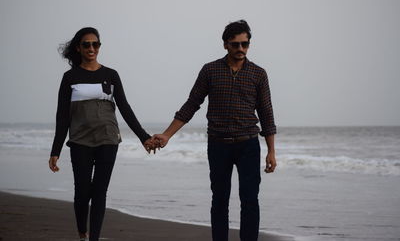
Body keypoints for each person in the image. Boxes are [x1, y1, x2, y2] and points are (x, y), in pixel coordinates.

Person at [153, 20, 276, 241]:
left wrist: (271, 151)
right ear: (225, 45)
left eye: (245, 44)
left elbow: (267, 114)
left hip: (248, 144)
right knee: (219, 199)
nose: (240, 49)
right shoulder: (210, 70)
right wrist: (167, 134)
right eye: (235, 44)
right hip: (218, 144)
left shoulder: (258, 73)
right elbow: (191, 104)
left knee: (250, 199)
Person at [48, 27, 157, 241]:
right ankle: (82, 232)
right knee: (82, 193)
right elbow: (62, 117)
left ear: (99, 47)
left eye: (95, 44)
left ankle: (94, 238)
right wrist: (55, 150)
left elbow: (125, 108)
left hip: (108, 139)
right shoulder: (70, 77)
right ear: (79, 48)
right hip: (80, 140)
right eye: (87, 44)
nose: (91, 48)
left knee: (99, 192)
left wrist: (144, 137)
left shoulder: (110, 75)